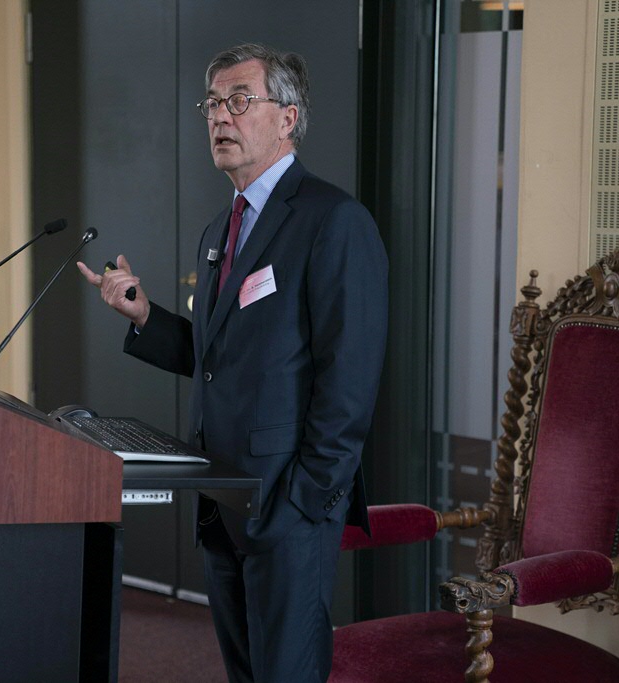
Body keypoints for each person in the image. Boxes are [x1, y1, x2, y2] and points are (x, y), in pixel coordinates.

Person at [77, 43, 387, 683]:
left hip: (286, 503)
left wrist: (305, 501)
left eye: (240, 100)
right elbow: (221, 358)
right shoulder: (222, 228)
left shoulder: (334, 221)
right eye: (213, 103)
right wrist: (144, 317)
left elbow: (349, 382)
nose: (221, 116)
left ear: (287, 118)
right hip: (222, 498)